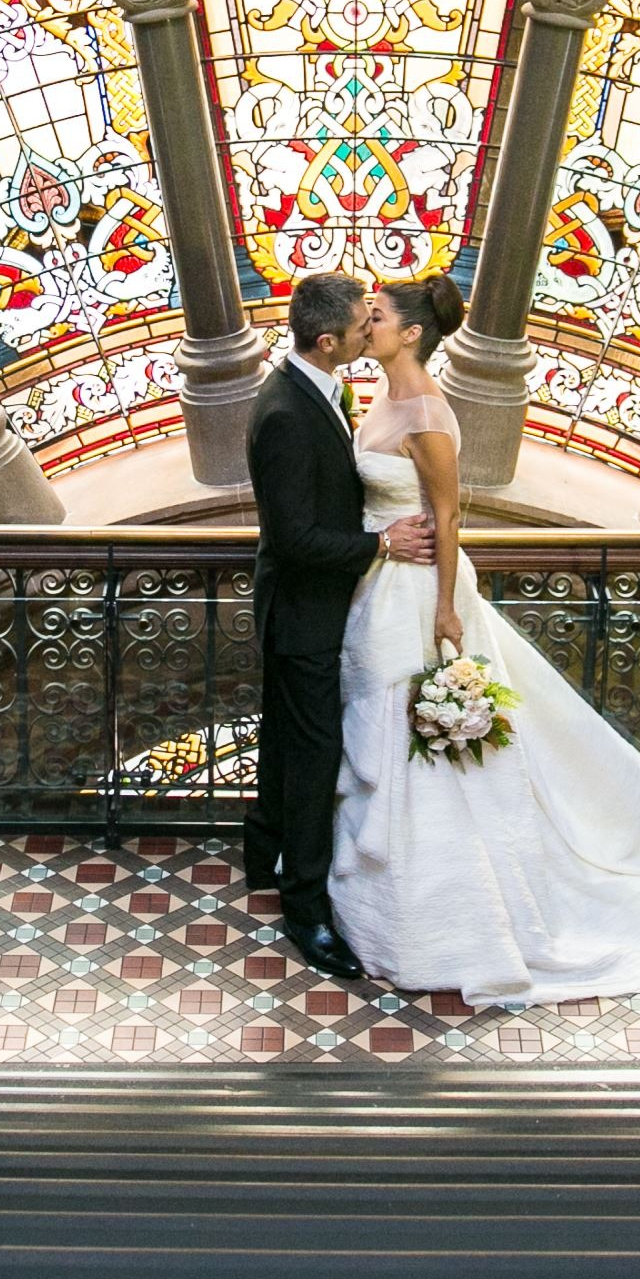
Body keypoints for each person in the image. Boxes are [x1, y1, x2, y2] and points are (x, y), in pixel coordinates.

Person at [326, 273, 640, 1004]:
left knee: (421, 742)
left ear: (413, 332)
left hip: (421, 589)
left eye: (378, 316)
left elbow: (450, 514)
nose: (368, 326)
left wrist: (446, 612)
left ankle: (448, 915)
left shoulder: (426, 408)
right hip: (381, 582)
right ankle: (388, 900)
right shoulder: (381, 399)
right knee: (382, 731)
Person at [240, 271, 433, 978]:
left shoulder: (321, 387)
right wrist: (380, 544)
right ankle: (306, 910)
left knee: (290, 741)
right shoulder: (287, 412)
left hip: (319, 606)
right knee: (315, 755)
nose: (369, 327)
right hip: (303, 612)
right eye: (360, 323)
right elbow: (293, 538)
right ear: (328, 342)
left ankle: (263, 852)